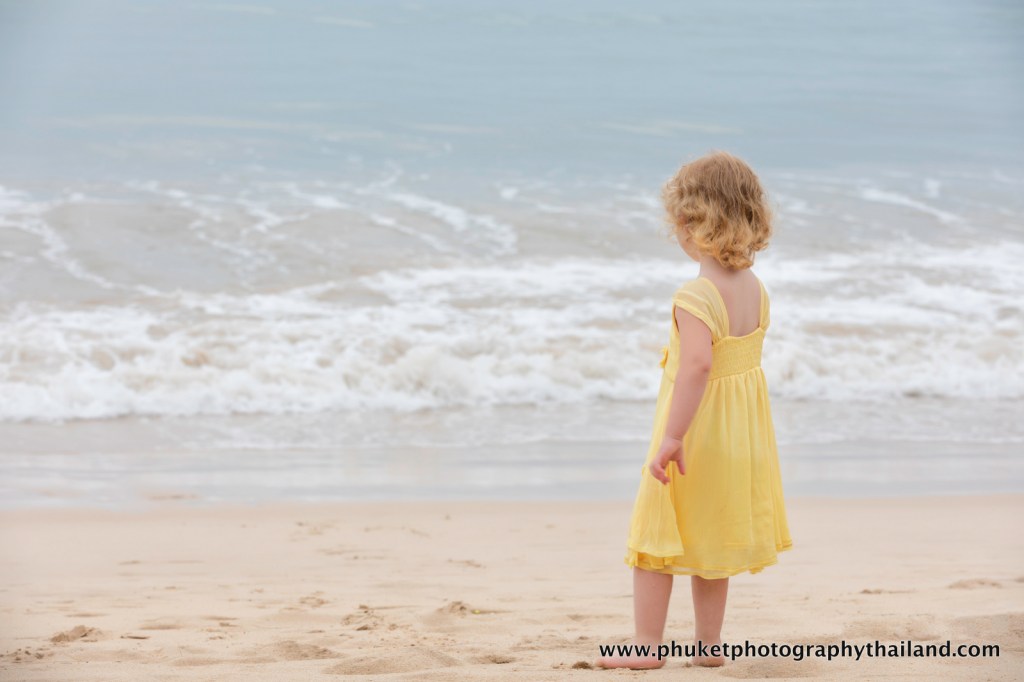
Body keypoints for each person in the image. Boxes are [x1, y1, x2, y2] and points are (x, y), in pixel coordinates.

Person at [597, 150, 793, 670]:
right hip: (741, 438)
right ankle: (709, 647)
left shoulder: (695, 295)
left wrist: (671, 437)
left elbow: (697, 369)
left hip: (696, 433)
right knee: (714, 538)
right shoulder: (755, 290)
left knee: (655, 537)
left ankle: (645, 648)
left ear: (688, 224)